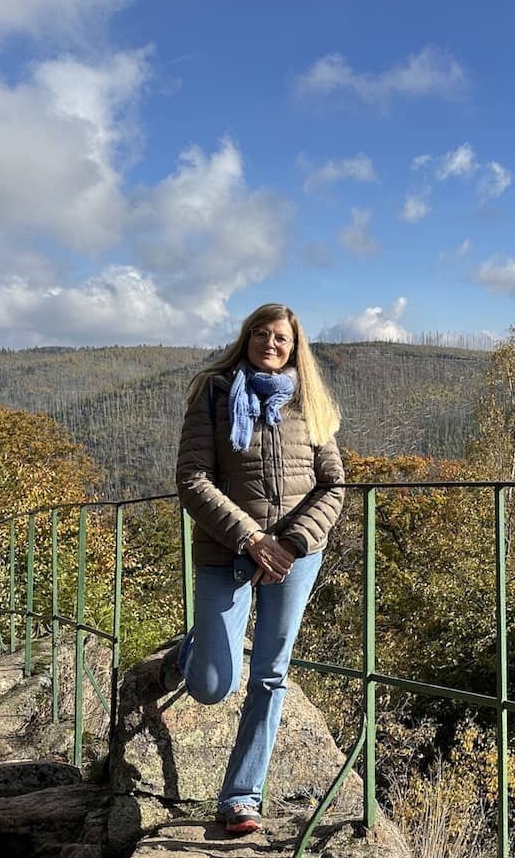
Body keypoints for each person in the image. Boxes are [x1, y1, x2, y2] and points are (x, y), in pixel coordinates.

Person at [169, 302, 344, 835]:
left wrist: (289, 543)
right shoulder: (215, 393)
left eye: (281, 338)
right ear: (246, 338)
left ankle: (241, 798)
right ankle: (193, 650)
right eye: (262, 334)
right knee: (213, 686)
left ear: (295, 347)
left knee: (270, 673)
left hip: (295, 556)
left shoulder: (311, 403)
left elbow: (333, 485)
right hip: (227, 551)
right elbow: (192, 479)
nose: (271, 344)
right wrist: (252, 539)